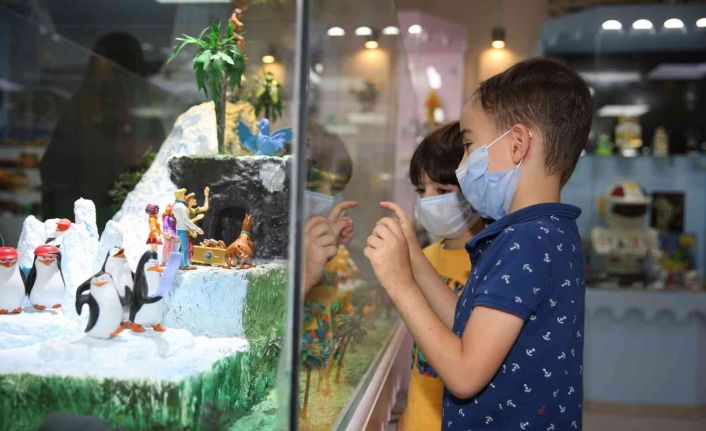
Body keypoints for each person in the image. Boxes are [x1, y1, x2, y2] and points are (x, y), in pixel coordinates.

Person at [364, 57, 592, 430]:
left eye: (470, 145)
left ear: (517, 144)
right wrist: (415, 260)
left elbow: (465, 373)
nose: (463, 165)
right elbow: (471, 325)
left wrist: (399, 283)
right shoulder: (551, 230)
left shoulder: (526, 240)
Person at [399, 122, 487, 431]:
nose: (428, 201)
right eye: (421, 191)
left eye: (442, 191)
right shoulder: (425, 256)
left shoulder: (492, 262)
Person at [173, 189, 203, 270]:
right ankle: (185, 265)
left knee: (182, 247)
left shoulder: (176, 205)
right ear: (180, 196)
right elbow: (185, 220)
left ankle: (182, 264)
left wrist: (190, 228)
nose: (185, 196)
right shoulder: (181, 207)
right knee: (184, 248)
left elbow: (181, 220)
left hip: (179, 229)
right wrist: (196, 228)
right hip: (182, 230)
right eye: (183, 194)